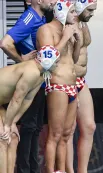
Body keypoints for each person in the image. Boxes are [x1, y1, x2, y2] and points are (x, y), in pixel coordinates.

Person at [0, 0, 57, 172]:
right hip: (12, 93)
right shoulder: (30, 17)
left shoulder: (41, 75)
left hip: (9, 96)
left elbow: (25, 101)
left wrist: (12, 123)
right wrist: (21, 60)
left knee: (15, 136)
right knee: (4, 138)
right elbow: (5, 43)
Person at [36, 0, 80, 172]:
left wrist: (76, 41)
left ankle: (61, 170)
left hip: (72, 85)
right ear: (62, 13)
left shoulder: (66, 30)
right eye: (73, 12)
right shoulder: (46, 30)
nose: (76, 15)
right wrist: (66, 38)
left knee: (66, 135)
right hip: (57, 85)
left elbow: (74, 60)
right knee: (54, 134)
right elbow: (47, 60)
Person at [65, 0, 97, 173]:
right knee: (69, 130)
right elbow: (66, 59)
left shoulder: (83, 23)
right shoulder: (68, 25)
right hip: (68, 80)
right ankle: (69, 170)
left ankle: (82, 171)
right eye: (90, 10)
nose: (93, 13)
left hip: (81, 81)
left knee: (89, 126)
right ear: (81, 7)